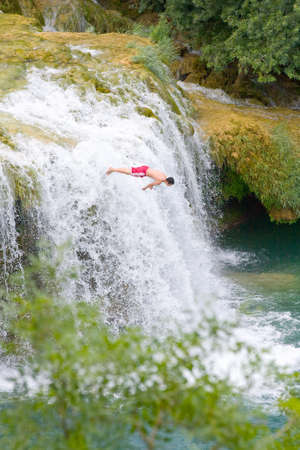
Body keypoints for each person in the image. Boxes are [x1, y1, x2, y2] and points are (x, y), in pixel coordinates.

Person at [106, 165, 175, 191]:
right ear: (168, 182)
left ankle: (114, 169)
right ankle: (113, 169)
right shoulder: (160, 180)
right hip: (143, 172)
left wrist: (152, 186)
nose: (169, 186)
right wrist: (144, 189)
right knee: (128, 172)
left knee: (129, 171)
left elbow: (154, 178)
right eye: (169, 185)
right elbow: (150, 184)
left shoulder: (164, 175)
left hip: (146, 167)